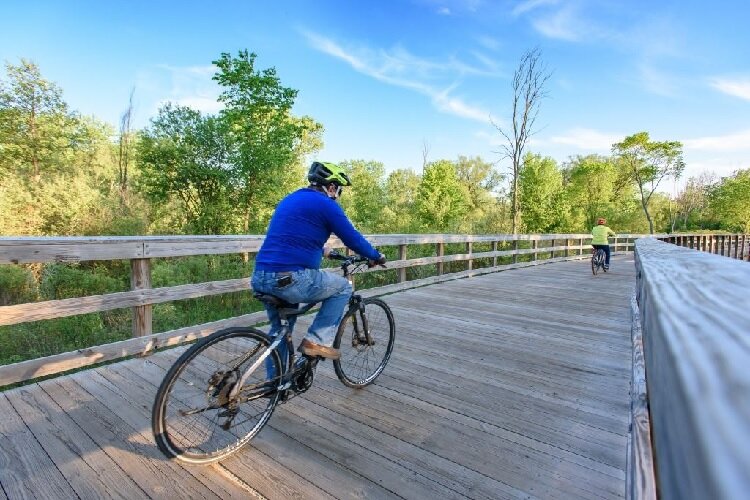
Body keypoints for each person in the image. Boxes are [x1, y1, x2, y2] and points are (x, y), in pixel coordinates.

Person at [251, 161, 385, 364]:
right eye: (339, 191)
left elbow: (291, 236)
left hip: (262, 275)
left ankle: (277, 386)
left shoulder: (291, 199)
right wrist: (375, 256)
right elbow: (353, 238)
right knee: (342, 288)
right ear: (331, 187)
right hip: (291, 278)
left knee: (280, 333)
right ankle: (316, 341)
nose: (338, 197)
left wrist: (323, 249)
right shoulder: (326, 204)